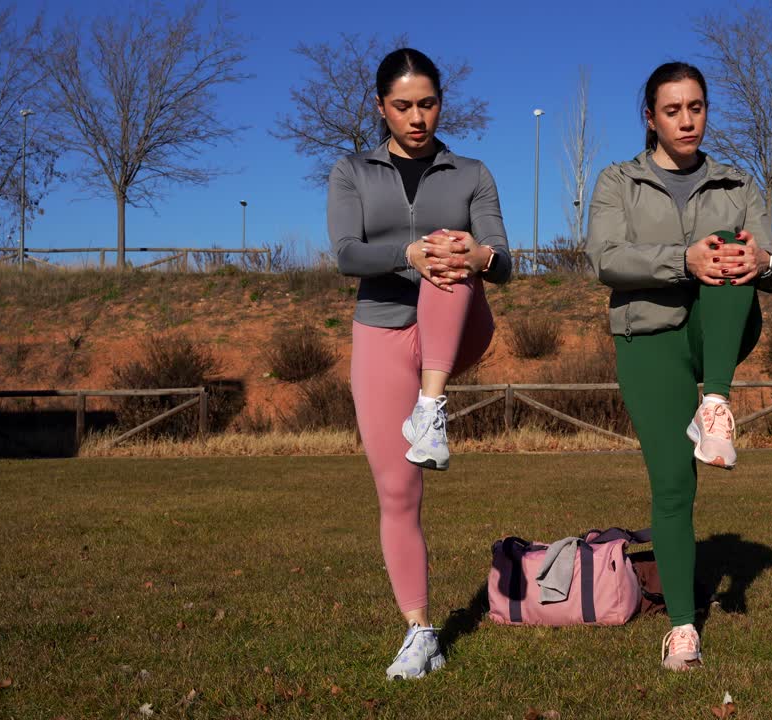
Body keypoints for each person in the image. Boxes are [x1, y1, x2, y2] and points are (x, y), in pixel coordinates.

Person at [586, 61, 772, 671]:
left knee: (732, 247)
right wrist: (683, 260)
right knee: (674, 484)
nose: (686, 120)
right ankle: (682, 628)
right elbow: (605, 259)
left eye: (695, 107)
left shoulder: (736, 183)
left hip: (719, 333)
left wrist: (765, 265)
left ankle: (718, 401)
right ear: (650, 118)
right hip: (647, 341)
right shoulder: (618, 182)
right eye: (672, 110)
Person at [328, 47, 511, 680]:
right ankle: (420, 631)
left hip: (458, 326)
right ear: (381, 107)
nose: (416, 117)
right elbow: (347, 254)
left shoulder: (471, 172)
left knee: (452, 253)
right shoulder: (351, 171)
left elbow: (505, 260)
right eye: (402, 105)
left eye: (427, 104)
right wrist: (408, 252)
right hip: (381, 335)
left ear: (441, 104)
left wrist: (471, 251)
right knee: (397, 491)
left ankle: (433, 407)